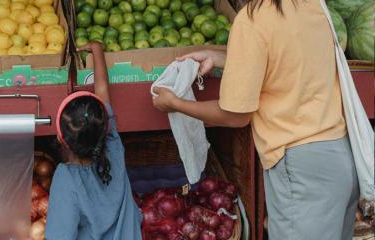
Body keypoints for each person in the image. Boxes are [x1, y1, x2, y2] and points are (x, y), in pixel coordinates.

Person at [152, 0, 359, 240]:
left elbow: (235, 115)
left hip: (302, 169)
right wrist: (217, 56)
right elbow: (282, 58)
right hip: (339, 158)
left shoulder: (253, 20)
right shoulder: (310, 5)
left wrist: (176, 104)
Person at [45, 42, 142, 240]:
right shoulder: (113, 145)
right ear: (105, 127)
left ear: (60, 138)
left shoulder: (66, 179)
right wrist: (98, 50)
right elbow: (103, 91)